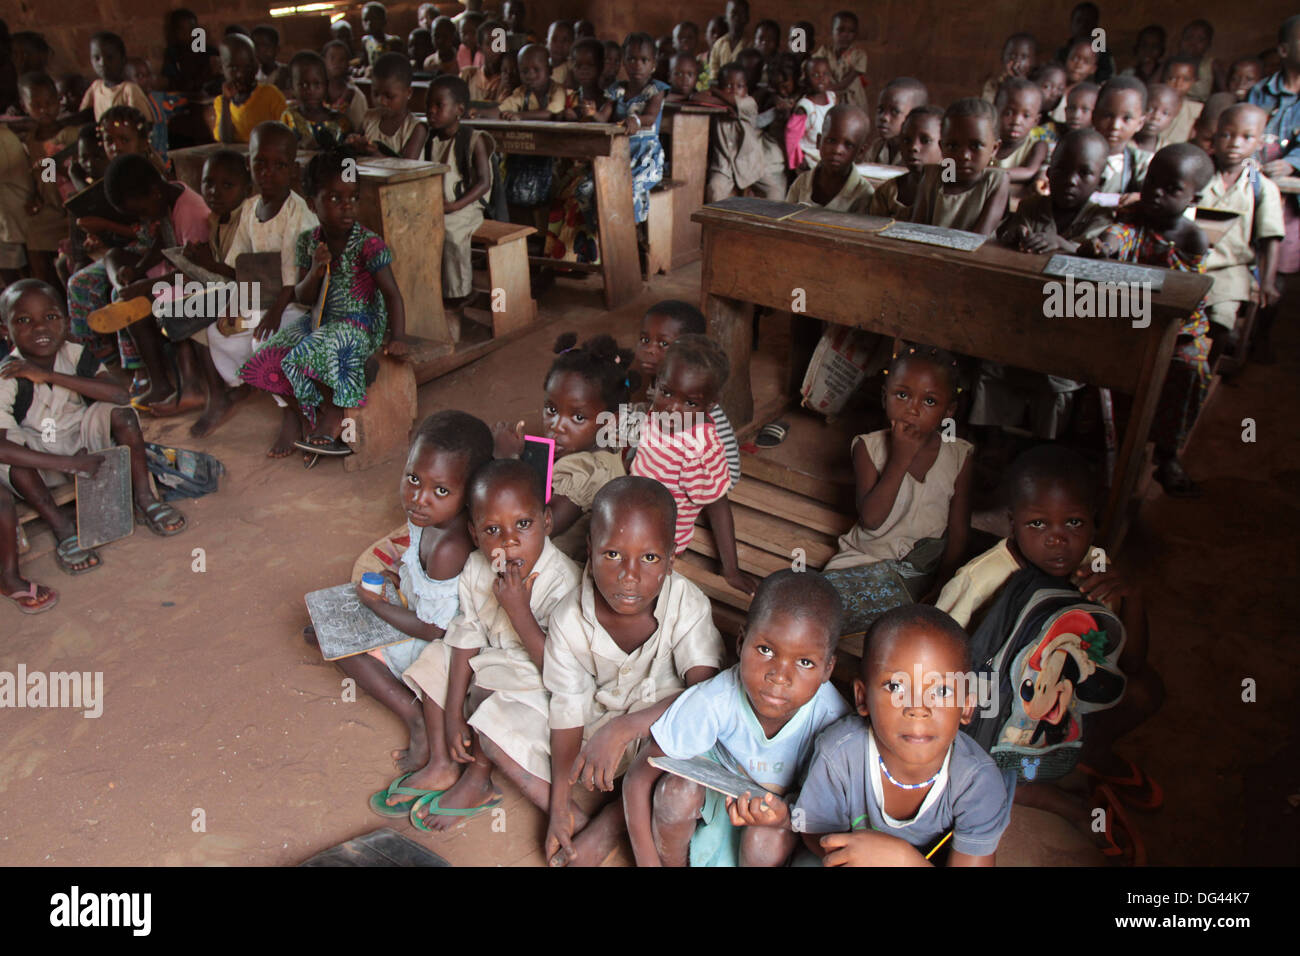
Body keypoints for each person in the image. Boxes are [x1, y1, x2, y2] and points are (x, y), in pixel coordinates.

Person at [936, 445, 1159, 862]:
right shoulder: (981, 577)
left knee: (1146, 691)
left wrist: (1133, 597)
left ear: (1095, 522)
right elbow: (929, 658)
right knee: (957, 762)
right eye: (1037, 523)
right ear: (1012, 524)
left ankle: (1084, 759)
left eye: (1074, 522)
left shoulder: (1094, 568)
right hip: (989, 712)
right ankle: (1047, 795)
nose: (1058, 538)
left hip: (1056, 706)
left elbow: (1130, 666)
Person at [540, 477, 726, 865]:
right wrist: (558, 805)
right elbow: (567, 706)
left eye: (650, 558)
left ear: (671, 558)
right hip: (598, 716)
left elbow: (706, 695)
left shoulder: (686, 604)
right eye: (612, 555)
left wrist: (624, 729)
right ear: (589, 551)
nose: (630, 575)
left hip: (665, 722)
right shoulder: (569, 617)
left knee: (685, 753)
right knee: (512, 719)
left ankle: (611, 821)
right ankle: (575, 813)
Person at [396, 459, 582, 829]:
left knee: (491, 697)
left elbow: (561, 674)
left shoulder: (564, 583)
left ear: (546, 522)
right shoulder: (477, 566)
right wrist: (452, 714)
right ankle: (443, 760)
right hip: (489, 661)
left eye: (523, 525)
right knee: (437, 657)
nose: (509, 541)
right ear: (474, 533)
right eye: (492, 529)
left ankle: (478, 779)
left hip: (538, 683)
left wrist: (518, 611)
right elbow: (466, 633)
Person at [623, 569, 851, 866]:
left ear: (828, 669)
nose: (779, 676)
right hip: (716, 799)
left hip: (777, 819)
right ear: (741, 642)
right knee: (675, 794)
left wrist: (783, 818)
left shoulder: (835, 724)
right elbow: (643, 773)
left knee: (765, 839)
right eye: (766, 650)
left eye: (805, 662)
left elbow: (822, 816)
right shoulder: (717, 697)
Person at [794, 605, 1014, 866]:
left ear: (967, 706)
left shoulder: (978, 782)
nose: (918, 708)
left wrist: (902, 859)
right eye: (896, 686)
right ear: (863, 698)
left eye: (941, 691)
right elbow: (813, 833)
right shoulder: (839, 753)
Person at [0, 280, 186, 582]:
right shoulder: (7, 377)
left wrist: (48, 374)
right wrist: (68, 465)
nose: (40, 328)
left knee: (123, 416)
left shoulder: (75, 354)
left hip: (83, 444)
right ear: (5, 330)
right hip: (42, 462)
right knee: (12, 457)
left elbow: (120, 396)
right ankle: (62, 529)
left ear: (66, 320)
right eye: (24, 321)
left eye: (51, 317)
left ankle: (145, 499)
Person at [349, 411, 493, 790]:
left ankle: (414, 717)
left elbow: (434, 630)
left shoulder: (449, 547)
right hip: (416, 614)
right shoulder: (425, 517)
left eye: (440, 491)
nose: (419, 498)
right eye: (413, 478)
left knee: (346, 647)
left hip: (441, 646)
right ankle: (410, 705)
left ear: (469, 494)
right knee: (324, 631)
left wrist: (377, 605)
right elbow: (414, 560)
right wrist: (399, 576)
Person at [239, 147, 413, 459]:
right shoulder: (309, 241)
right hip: (322, 320)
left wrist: (397, 337)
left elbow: (392, 294)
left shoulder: (368, 243)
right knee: (269, 355)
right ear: (311, 202)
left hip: (360, 325)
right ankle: (303, 414)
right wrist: (318, 268)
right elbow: (304, 297)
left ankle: (332, 414)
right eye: (335, 198)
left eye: (353, 197)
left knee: (309, 350)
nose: (347, 207)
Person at [1080, 143, 1215, 497]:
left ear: (1194, 195)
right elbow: (1117, 236)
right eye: (1152, 181)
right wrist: (1103, 246)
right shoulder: (1132, 216)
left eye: (1171, 190)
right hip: (1124, 322)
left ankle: (1168, 454)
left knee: (1191, 368)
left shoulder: (1192, 237)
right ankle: (1092, 442)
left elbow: (1187, 294)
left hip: (1176, 332)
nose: (1156, 193)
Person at [820, 344, 971, 632]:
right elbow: (872, 520)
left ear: (948, 410)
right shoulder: (868, 447)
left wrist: (942, 584)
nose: (912, 409)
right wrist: (900, 458)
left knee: (914, 631)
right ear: (884, 397)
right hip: (862, 558)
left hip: (920, 573)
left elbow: (959, 532)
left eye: (929, 401)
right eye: (902, 395)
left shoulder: (959, 456)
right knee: (822, 606)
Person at [208, 122, 318, 449]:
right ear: (249, 164)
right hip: (262, 301)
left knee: (263, 344)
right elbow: (237, 265)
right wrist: (207, 267)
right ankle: (247, 381)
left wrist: (272, 314)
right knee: (220, 331)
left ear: (293, 170)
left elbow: (294, 276)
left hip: (296, 305)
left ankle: (290, 412)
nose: (268, 172)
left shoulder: (297, 213)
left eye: (279, 165)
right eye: (260, 163)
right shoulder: (248, 209)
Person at [628, 334, 753, 595]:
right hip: (632, 506)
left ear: (710, 405)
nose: (673, 408)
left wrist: (731, 570)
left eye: (690, 402)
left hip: (660, 536)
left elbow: (718, 504)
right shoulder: (658, 409)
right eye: (667, 392)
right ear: (659, 383)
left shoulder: (701, 446)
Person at [495, 333, 633, 561]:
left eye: (578, 417)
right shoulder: (602, 448)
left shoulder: (585, 472)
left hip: (551, 572)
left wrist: (506, 461)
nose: (557, 426)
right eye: (551, 410)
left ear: (610, 420)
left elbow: (535, 530)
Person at [170, 149, 252, 438]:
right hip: (233, 293)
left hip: (255, 297)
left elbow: (247, 274)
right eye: (209, 184)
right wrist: (197, 261)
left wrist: (208, 264)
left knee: (196, 318)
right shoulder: (218, 218)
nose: (215, 192)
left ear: (247, 188)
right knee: (180, 310)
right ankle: (208, 388)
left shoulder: (248, 219)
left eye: (227, 185)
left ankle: (217, 396)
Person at [1201, 104, 1283, 355]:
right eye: (1227, 134)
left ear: (1259, 143)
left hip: (1230, 270)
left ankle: (1205, 374)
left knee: (1221, 320)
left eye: (1247, 137)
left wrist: (1267, 282)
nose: (1235, 143)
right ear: (1215, 136)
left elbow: (1271, 238)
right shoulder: (1198, 174)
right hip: (1188, 263)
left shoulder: (1262, 188)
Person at [630, 300, 741, 486]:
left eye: (663, 344)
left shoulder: (698, 405)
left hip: (702, 486)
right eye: (645, 340)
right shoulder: (661, 382)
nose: (649, 349)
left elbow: (731, 473)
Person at [426, 75, 493, 324]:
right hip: (439, 207)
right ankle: (433, 289)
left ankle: (460, 292)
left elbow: (484, 182)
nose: (431, 111)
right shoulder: (429, 139)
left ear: (459, 110)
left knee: (451, 231)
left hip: (467, 207)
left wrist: (455, 205)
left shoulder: (473, 140)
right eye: (428, 106)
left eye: (438, 105)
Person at [998, 127, 1111, 254]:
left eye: (1084, 173)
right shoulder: (1030, 207)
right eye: (1062, 169)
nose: (1071, 180)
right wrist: (1014, 236)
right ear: (1049, 173)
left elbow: (1088, 255)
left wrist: (1060, 243)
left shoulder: (1099, 217)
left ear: (1100, 183)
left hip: (1069, 275)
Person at [595, 34, 668, 224]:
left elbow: (650, 117)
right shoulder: (617, 89)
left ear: (653, 64)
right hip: (618, 153)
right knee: (589, 188)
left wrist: (635, 120)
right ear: (624, 63)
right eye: (631, 59)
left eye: (644, 60)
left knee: (629, 188)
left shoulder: (655, 90)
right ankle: (598, 233)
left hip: (645, 156)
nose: (637, 65)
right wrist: (590, 113)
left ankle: (630, 236)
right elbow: (602, 117)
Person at [910, 98, 1009, 235]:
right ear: (941, 147)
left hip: (972, 255)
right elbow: (915, 230)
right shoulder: (932, 176)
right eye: (952, 146)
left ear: (994, 148)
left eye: (975, 146)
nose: (964, 155)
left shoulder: (995, 181)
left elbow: (978, 238)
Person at [18, 72, 79, 284]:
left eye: (50, 102)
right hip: (50, 208)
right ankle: (47, 291)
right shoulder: (30, 141)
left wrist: (55, 166)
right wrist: (35, 198)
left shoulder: (71, 134)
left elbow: (78, 172)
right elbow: (44, 178)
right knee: (33, 232)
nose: (44, 109)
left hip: (73, 205)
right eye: (36, 105)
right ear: (24, 106)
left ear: (59, 101)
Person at [699, 63, 785, 202]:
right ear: (720, 86)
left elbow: (734, 101)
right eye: (728, 86)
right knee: (714, 191)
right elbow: (696, 97)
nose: (733, 90)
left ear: (746, 89)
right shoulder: (719, 107)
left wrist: (717, 94)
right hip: (723, 166)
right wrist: (724, 104)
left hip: (751, 164)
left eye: (739, 86)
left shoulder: (749, 103)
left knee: (775, 192)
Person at [785, 104, 873, 211]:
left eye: (848, 145)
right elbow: (785, 219)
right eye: (831, 141)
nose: (837, 150)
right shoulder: (802, 183)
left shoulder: (864, 195)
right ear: (818, 141)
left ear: (860, 152)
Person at [211, 34, 287, 144]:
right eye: (233, 68)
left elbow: (287, 130)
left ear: (256, 66)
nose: (240, 74)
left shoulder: (270, 94)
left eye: (247, 66)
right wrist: (226, 102)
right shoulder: (221, 102)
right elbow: (226, 139)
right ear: (222, 68)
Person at [869, 106, 943, 219]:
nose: (913, 147)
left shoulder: (950, 194)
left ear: (944, 146)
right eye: (906, 140)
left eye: (925, 141)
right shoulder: (888, 191)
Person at [1091, 77, 1152, 199]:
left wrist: (1140, 197)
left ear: (1140, 123)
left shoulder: (1141, 163)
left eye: (1127, 118)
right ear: (1094, 115)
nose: (1115, 126)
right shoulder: (1073, 152)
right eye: (1108, 115)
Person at [76, 32, 152, 124]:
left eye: (110, 58)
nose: (102, 63)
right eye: (97, 58)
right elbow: (84, 114)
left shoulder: (129, 90)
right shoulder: (96, 87)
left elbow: (145, 123)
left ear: (123, 59)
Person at [280, 51, 349, 150]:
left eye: (317, 84)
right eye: (303, 85)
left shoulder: (341, 120)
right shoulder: (289, 118)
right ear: (292, 86)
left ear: (326, 85)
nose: (310, 91)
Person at [991, 77, 1048, 185]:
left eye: (1026, 116)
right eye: (1008, 113)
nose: (1017, 121)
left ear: (1036, 121)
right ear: (996, 111)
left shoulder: (1037, 146)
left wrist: (986, 174)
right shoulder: (985, 140)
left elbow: (1029, 172)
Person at [861, 77, 928, 165]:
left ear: (915, 117)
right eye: (880, 110)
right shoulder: (877, 147)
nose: (884, 117)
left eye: (895, 112)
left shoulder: (918, 153)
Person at [787, 56, 835, 168]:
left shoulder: (832, 97)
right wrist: (799, 161)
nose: (821, 78)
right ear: (806, 78)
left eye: (825, 74)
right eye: (815, 75)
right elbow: (791, 138)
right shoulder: (805, 107)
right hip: (810, 158)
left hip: (827, 154)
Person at [815, 9, 868, 109]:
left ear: (856, 34)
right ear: (832, 31)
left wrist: (828, 88)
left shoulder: (859, 55)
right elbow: (812, 65)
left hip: (851, 100)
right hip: (829, 99)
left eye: (851, 31)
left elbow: (847, 81)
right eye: (841, 30)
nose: (845, 35)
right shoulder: (825, 51)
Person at [1055, 3, 1114, 84]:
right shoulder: (1062, 52)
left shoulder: (1104, 54)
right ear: (1071, 24)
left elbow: (1107, 79)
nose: (1083, 25)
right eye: (1079, 21)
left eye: (1088, 22)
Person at [461, 19, 511, 102]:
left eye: (500, 43)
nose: (497, 49)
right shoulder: (468, 76)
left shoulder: (509, 79)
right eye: (490, 43)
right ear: (480, 48)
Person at [323, 40, 368, 131]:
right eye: (332, 58)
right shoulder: (318, 91)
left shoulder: (356, 95)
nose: (337, 63)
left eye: (342, 59)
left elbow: (362, 127)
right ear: (324, 61)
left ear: (348, 64)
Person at [981, 33, 1037, 103]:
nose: (1017, 62)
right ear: (1003, 58)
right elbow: (989, 107)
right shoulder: (994, 84)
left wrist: (1021, 83)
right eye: (1012, 56)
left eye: (1024, 57)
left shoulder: (1038, 83)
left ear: (1033, 61)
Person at [1175, 19, 1221, 103]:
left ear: (1208, 44)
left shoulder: (1211, 65)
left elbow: (1224, 91)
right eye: (1189, 37)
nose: (1193, 43)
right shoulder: (1173, 63)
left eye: (1200, 40)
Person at [707, 0, 750, 81]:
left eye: (742, 14)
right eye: (733, 13)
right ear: (726, 17)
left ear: (747, 18)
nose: (737, 18)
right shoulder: (719, 44)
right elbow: (713, 74)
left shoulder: (751, 45)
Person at [360, 2, 404, 69]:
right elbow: (364, 64)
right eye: (366, 20)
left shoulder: (394, 42)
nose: (369, 23)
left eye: (374, 19)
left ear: (384, 20)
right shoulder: (366, 41)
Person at [251, 25, 292, 93]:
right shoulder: (251, 76)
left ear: (277, 49)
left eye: (265, 46)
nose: (260, 50)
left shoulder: (286, 73)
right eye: (256, 46)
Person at [546, 19, 575, 87]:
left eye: (565, 40)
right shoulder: (541, 66)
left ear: (572, 44)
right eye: (554, 39)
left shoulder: (571, 68)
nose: (559, 45)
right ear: (547, 42)